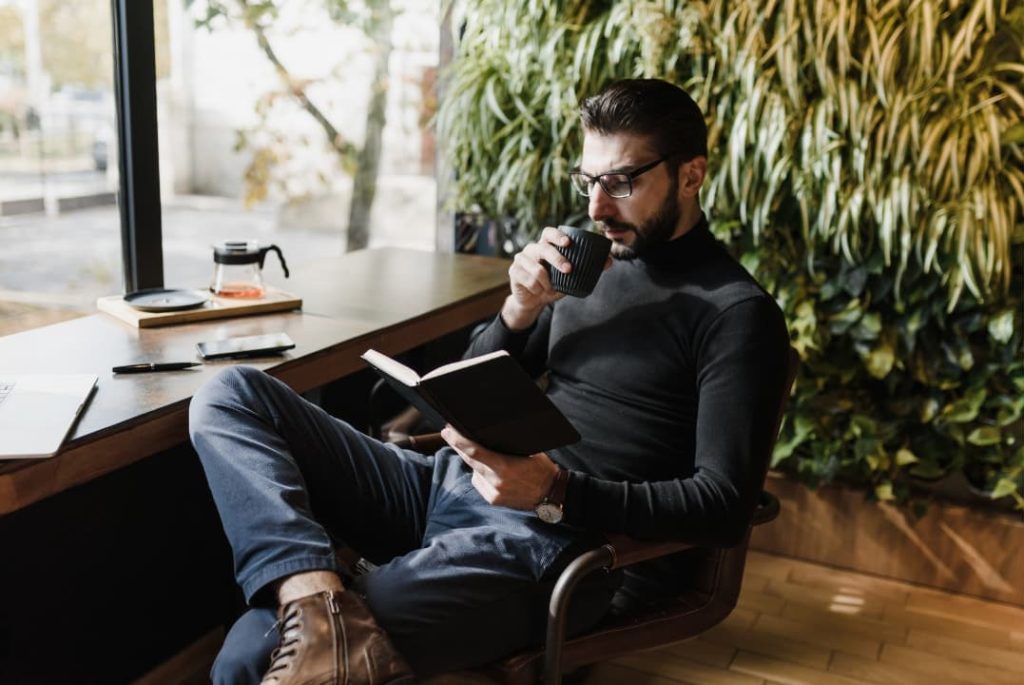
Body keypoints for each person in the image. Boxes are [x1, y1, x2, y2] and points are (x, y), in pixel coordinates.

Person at [188, 78, 790, 685]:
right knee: (230, 393)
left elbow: (723, 507)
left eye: (622, 182)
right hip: (445, 485)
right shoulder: (584, 268)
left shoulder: (734, 314)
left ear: (692, 175)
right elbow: (462, 386)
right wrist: (518, 311)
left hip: (560, 545)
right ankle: (317, 597)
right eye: (589, 181)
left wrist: (556, 492)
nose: (596, 208)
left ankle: (325, 617)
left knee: (248, 657)